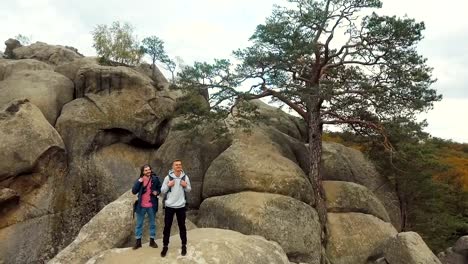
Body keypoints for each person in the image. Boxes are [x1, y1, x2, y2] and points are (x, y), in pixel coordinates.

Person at [160, 159, 192, 257]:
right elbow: (162, 190)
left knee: (182, 226)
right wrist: (168, 185)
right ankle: (165, 246)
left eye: (180, 165)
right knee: (167, 227)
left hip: (181, 206)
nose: (178, 166)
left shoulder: (185, 177)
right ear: (173, 167)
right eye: (176, 165)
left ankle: (183, 245)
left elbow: (189, 189)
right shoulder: (167, 177)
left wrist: (185, 185)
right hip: (169, 206)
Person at [131, 164, 161, 250]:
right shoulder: (139, 180)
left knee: (152, 224)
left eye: (149, 170)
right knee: (139, 224)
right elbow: (134, 191)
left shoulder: (155, 179)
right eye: (146, 170)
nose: (148, 171)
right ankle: (138, 242)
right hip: (141, 206)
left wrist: (157, 192)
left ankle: (152, 241)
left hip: (152, 205)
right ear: (143, 172)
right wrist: (139, 181)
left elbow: (160, 188)